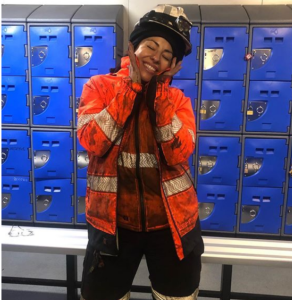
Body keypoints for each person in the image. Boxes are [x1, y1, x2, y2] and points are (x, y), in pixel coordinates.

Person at [77, 4, 204, 300]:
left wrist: (158, 93)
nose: (155, 58)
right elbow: (92, 141)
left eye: (166, 56)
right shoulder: (98, 87)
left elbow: (177, 152)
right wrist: (131, 88)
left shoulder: (178, 100)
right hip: (113, 226)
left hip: (172, 225)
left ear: (172, 67)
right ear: (133, 46)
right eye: (151, 46)